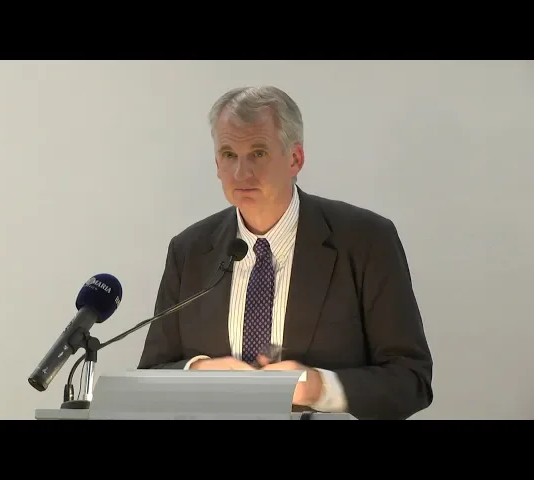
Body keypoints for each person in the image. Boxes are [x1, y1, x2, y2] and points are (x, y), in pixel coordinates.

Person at [137, 85, 433, 420]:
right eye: (229, 155)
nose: (241, 173)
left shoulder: (366, 240)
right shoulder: (189, 250)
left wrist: (320, 388)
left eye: (258, 153)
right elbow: (149, 376)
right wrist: (197, 372)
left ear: (295, 159)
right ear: (217, 163)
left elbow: (412, 381)